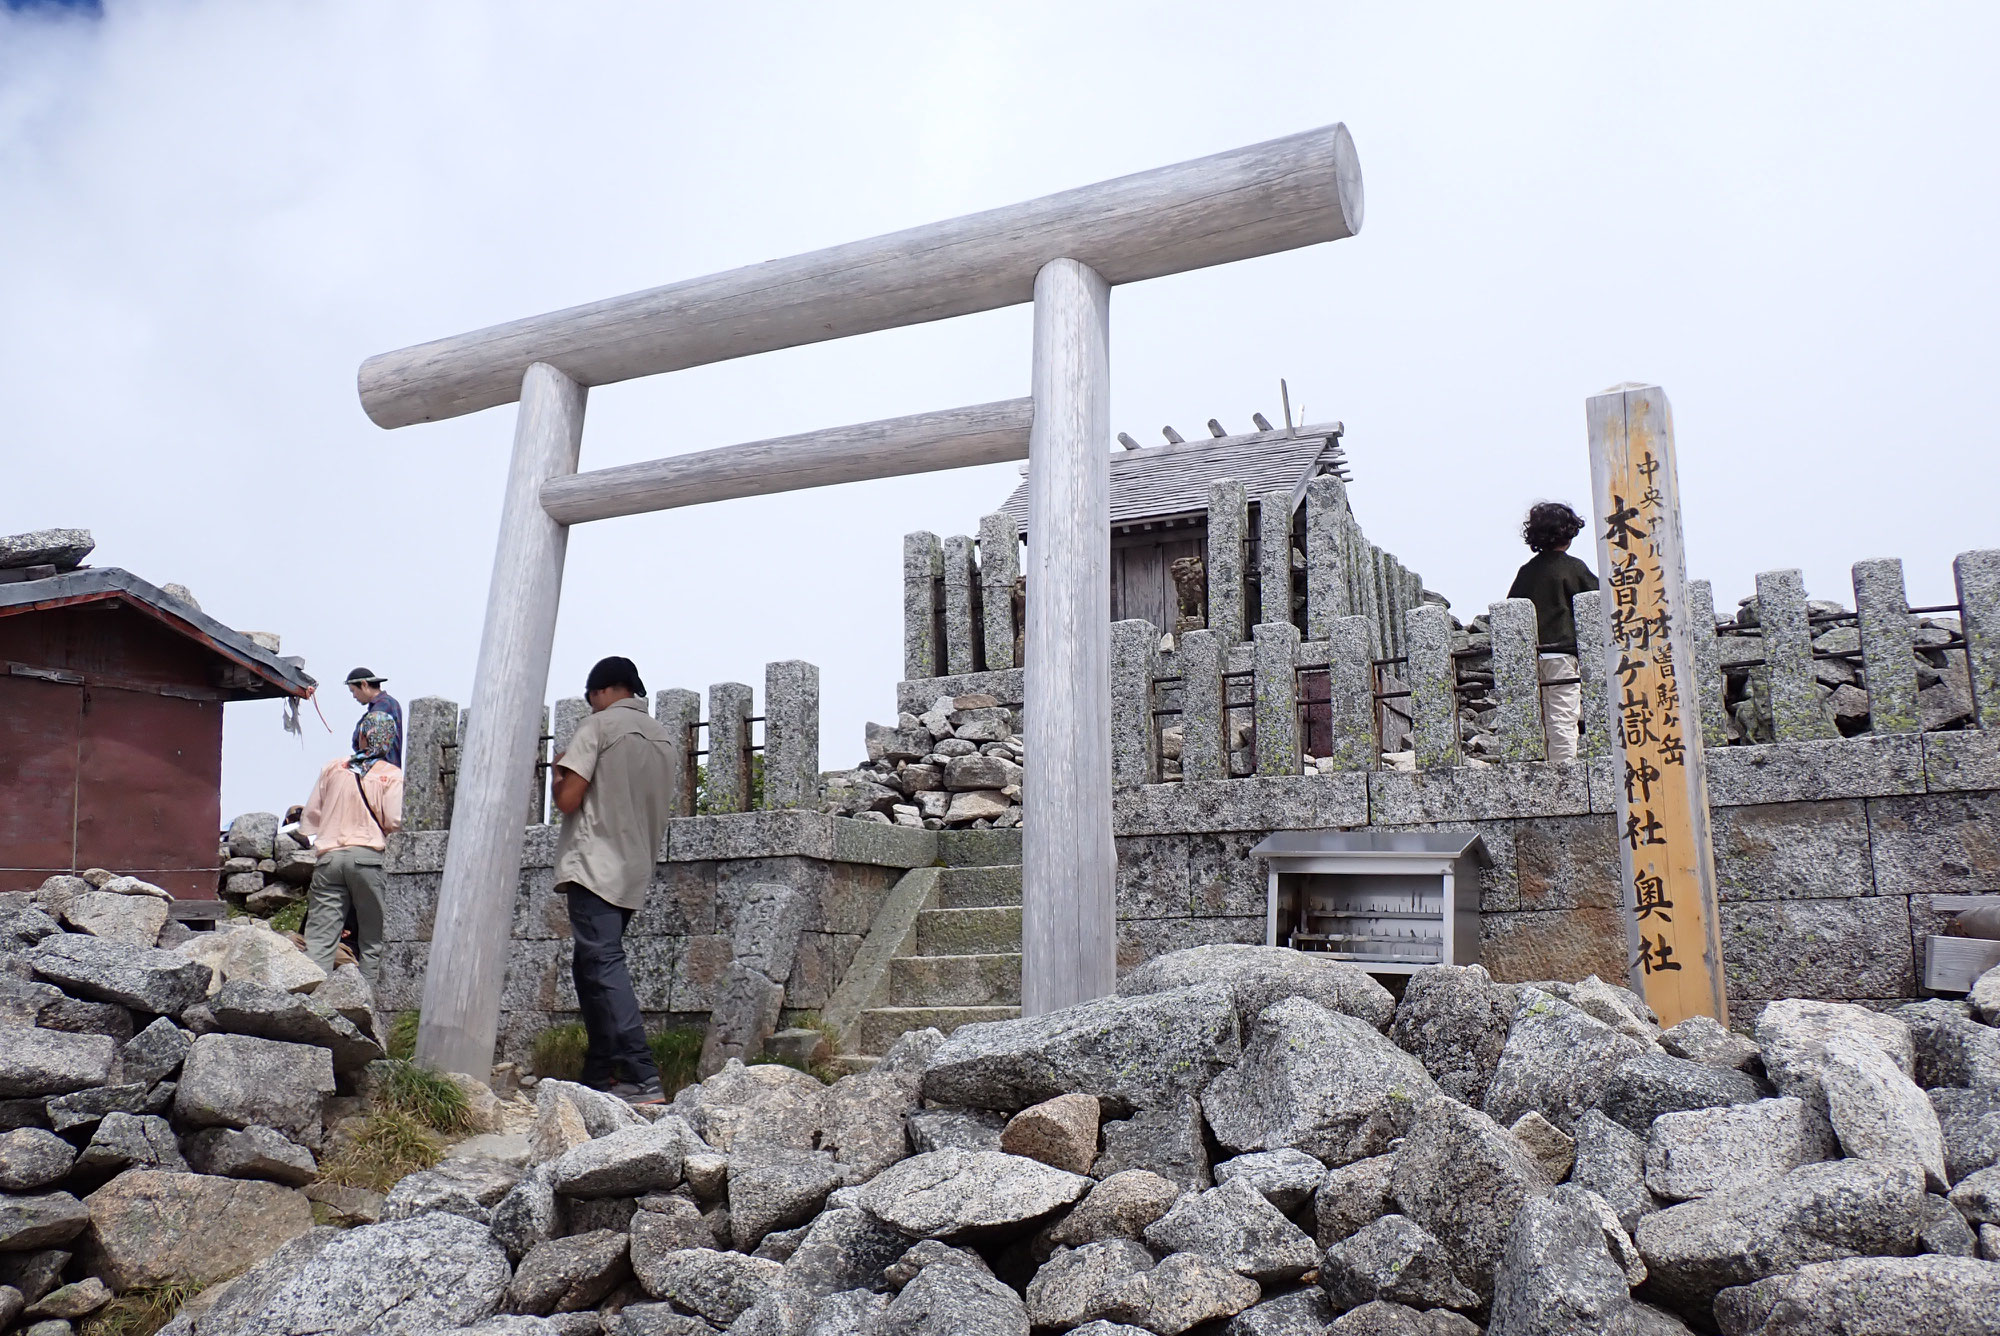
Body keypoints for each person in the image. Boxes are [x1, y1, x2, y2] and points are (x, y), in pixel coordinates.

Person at [551, 656, 678, 1105]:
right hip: (633, 866)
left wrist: (558, 770)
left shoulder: (599, 728)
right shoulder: (662, 736)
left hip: (594, 863)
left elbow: (568, 801)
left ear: (602, 691)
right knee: (590, 968)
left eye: (591, 700)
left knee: (602, 965)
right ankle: (600, 1073)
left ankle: (643, 1075)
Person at [298, 709, 404, 982]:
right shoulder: (390, 775)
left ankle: (313, 996)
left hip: (329, 857)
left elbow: (311, 816)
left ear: (362, 735)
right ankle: (365, 997)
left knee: (320, 936)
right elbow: (394, 820)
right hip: (367, 858)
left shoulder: (334, 768)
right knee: (372, 935)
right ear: (388, 740)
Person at [1507, 501, 1598, 764]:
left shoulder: (1526, 572)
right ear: (1569, 533)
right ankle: (1563, 770)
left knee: (1538, 715)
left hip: (1530, 657)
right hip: (1562, 653)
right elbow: (1597, 602)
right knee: (1562, 713)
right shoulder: (1574, 568)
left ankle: (1541, 765)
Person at [345, 667, 403, 769]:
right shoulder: (383, 706)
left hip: (382, 771)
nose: (354, 696)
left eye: (353, 691)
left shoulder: (385, 705)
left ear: (364, 684)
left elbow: (370, 741)